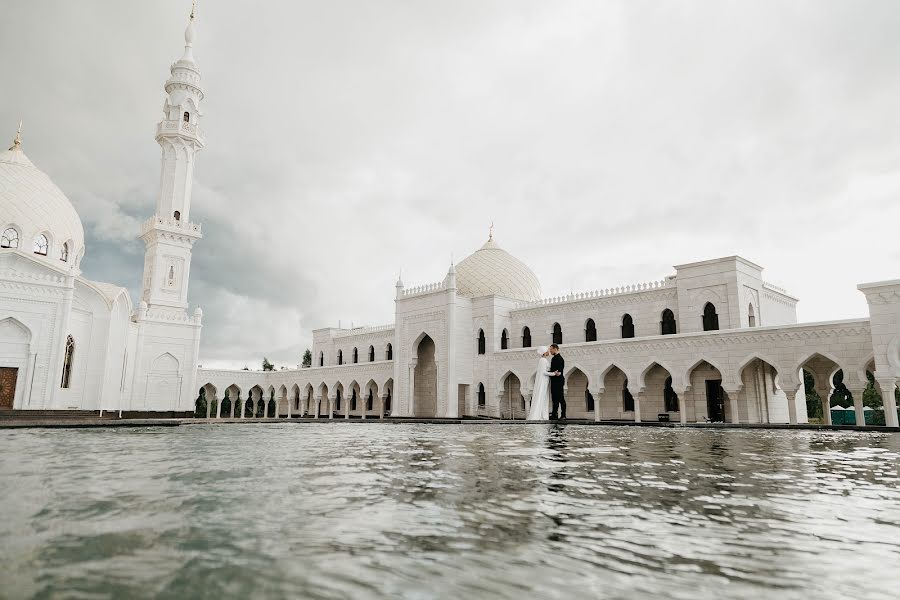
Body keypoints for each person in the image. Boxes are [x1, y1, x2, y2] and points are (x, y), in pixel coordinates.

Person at [527, 346, 553, 420]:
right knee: (541, 396)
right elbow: (543, 372)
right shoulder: (542, 360)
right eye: (547, 351)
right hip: (543, 381)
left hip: (545, 381)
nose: (549, 352)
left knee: (544, 397)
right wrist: (553, 373)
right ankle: (538, 415)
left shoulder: (544, 360)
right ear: (545, 352)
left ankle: (543, 415)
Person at [548, 344, 566, 420]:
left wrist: (554, 373)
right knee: (554, 398)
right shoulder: (553, 359)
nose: (550, 351)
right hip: (554, 381)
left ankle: (563, 415)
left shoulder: (560, 359)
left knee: (560, 398)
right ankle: (554, 414)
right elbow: (554, 371)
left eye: (551, 349)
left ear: (555, 349)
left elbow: (559, 372)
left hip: (558, 381)